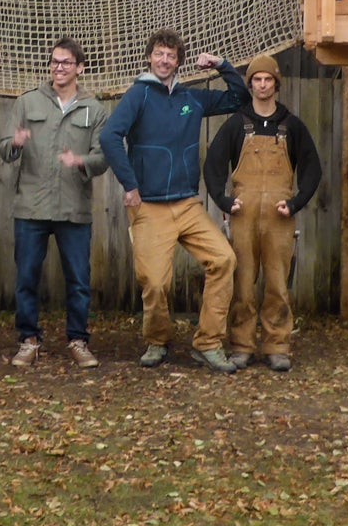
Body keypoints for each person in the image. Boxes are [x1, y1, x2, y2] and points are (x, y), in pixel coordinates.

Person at [98, 29, 248, 373]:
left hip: (187, 205)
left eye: (171, 55)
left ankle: (208, 343)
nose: (165, 60)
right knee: (155, 282)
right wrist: (130, 185)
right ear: (149, 57)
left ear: (179, 62)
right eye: (159, 54)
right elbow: (110, 137)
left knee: (224, 259)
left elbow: (238, 98)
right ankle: (158, 340)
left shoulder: (191, 99)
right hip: (149, 206)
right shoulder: (139, 95)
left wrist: (222, 64)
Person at [203, 55, 323, 372]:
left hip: (279, 216)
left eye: (268, 80)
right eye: (257, 80)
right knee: (242, 284)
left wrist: (295, 203)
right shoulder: (236, 124)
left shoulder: (292, 126)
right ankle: (241, 346)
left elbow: (312, 169)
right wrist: (225, 202)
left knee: (277, 284)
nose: (263, 85)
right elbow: (213, 165)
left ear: (276, 84)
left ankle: (277, 346)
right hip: (243, 214)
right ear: (251, 84)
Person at [0, 37, 107, 368]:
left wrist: (81, 161)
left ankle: (78, 341)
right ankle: (28, 341)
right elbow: (4, 149)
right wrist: (15, 143)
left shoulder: (95, 109)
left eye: (66, 63)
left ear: (80, 67)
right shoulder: (27, 102)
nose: (59, 67)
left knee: (78, 279)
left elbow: (103, 158)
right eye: (55, 62)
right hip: (31, 206)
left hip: (73, 208)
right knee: (27, 276)